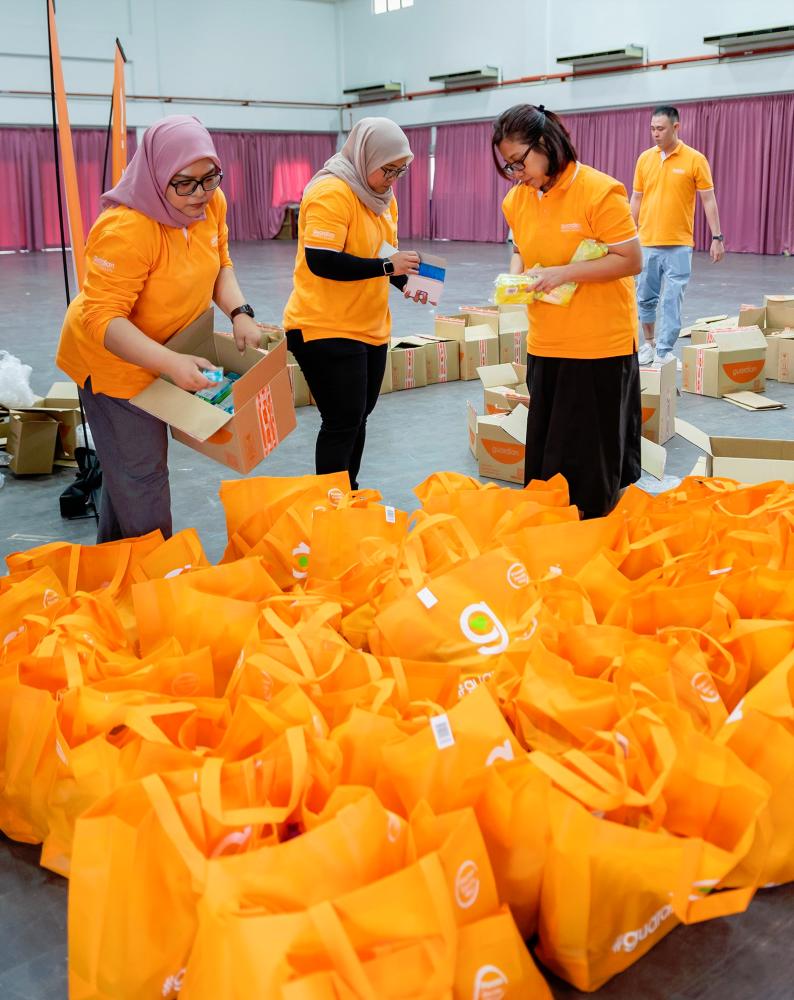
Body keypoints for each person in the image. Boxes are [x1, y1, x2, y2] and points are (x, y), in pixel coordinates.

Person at [56, 114, 261, 543]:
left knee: (128, 473)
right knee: (143, 474)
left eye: (210, 178)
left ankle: (120, 564)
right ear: (156, 175)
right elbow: (102, 319)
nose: (200, 194)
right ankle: (154, 576)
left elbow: (219, 262)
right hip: (113, 365)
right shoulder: (127, 229)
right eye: (184, 183)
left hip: (169, 351)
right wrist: (170, 361)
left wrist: (239, 311)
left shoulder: (211, 204)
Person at [493, 103, 643, 519]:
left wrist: (563, 274)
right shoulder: (516, 200)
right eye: (508, 166)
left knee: (589, 465)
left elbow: (631, 260)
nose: (515, 173)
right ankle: (555, 538)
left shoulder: (599, 191)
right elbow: (521, 249)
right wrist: (516, 279)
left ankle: (592, 540)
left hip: (598, 346)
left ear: (547, 144)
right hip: (547, 342)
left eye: (519, 161)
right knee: (549, 461)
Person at [283, 117, 421, 490]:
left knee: (359, 416)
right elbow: (321, 261)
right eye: (387, 169)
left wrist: (406, 280)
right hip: (323, 325)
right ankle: (333, 503)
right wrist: (386, 266)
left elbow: (382, 252)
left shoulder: (382, 199)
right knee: (342, 419)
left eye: (400, 171)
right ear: (364, 156)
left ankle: (348, 492)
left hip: (369, 325)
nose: (392, 178)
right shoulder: (332, 192)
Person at [631, 105, 725, 366]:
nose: (655, 134)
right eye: (652, 128)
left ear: (676, 127)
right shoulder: (644, 159)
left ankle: (664, 351)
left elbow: (708, 200)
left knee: (672, 300)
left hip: (679, 245)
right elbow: (636, 198)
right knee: (645, 298)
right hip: (647, 243)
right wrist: (629, 235)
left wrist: (717, 237)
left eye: (660, 128)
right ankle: (648, 345)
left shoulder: (695, 159)